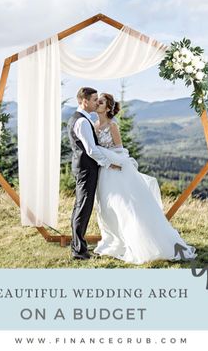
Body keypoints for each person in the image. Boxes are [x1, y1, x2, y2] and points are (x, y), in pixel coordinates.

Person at [93, 93, 197, 265]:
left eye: (101, 102)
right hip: (104, 172)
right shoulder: (95, 125)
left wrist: (107, 158)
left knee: (126, 207)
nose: (97, 103)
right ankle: (114, 240)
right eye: (97, 101)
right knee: (106, 207)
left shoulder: (112, 126)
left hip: (117, 170)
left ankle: (142, 242)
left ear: (108, 108)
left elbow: (119, 150)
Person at [67, 87, 122, 260]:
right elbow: (90, 150)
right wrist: (108, 163)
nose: (96, 102)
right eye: (93, 99)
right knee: (83, 208)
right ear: (84, 101)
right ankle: (79, 251)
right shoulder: (83, 122)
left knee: (80, 207)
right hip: (86, 169)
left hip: (83, 168)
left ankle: (78, 246)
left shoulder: (80, 119)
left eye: (98, 100)